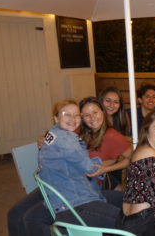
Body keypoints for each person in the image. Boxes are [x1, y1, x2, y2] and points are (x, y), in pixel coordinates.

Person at [25, 99, 122, 235]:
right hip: (75, 202)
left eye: (76, 115)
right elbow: (90, 168)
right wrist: (108, 162)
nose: (73, 118)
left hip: (61, 196)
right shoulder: (66, 139)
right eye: (67, 114)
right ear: (56, 118)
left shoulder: (52, 133)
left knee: (123, 199)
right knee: (130, 220)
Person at [79, 97, 133, 189]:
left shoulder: (112, 136)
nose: (92, 118)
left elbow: (133, 159)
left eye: (95, 112)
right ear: (82, 118)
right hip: (79, 181)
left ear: (103, 112)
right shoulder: (80, 131)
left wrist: (105, 169)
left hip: (93, 186)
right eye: (87, 115)